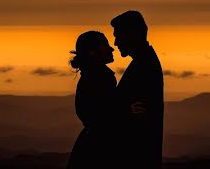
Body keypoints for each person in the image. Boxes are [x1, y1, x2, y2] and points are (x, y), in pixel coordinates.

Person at [112, 10, 164, 168]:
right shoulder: (144, 62)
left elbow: (140, 117)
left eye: (117, 36)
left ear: (131, 35)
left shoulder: (144, 66)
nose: (115, 43)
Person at [67, 30, 117, 169]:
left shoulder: (91, 77)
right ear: (92, 52)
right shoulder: (101, 78)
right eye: (105, 44)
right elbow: (107, 115)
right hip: (98, 148)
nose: (111, 48)